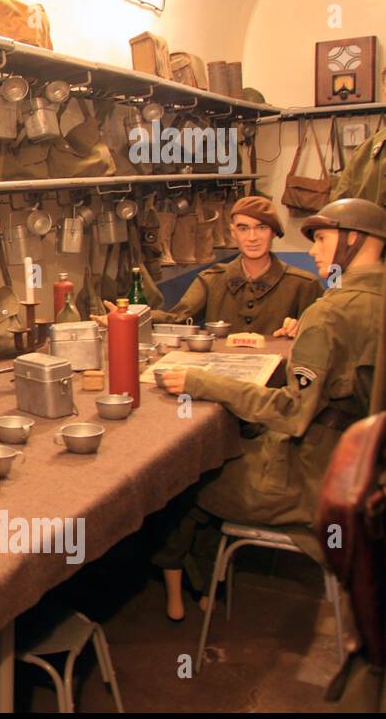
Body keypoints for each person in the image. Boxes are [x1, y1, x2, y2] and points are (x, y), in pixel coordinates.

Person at [153, 198, 386, 621]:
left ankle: (194, 582)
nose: (313, 250)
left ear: (355, 240)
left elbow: (293, 412)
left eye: (322, 239)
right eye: (241, 228)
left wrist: (203, 382)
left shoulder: (329, 310)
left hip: (314, 477)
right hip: (363, 474)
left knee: (187, 472)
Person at [91, 195, 322, 338]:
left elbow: (320, 337)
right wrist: (130, 316)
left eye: (261, 228)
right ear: (233, 232)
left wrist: (300, 328)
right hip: (220, 379)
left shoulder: (302, 284)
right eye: (243, 228)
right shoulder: (212, 279)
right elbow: (178, 318)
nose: (252, 237)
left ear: (273, 233)